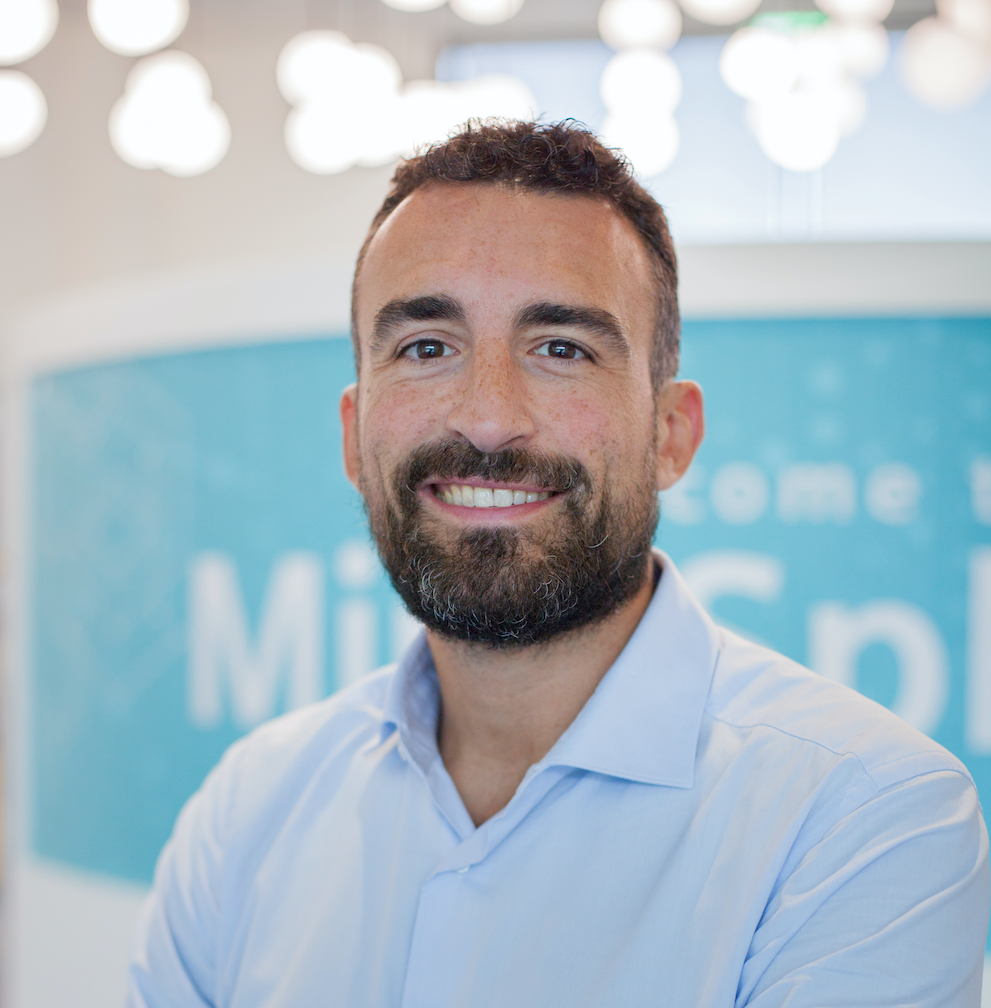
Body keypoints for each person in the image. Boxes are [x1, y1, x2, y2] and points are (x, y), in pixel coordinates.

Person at [128, 120, 990, 1007]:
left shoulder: (862, 819)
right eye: (426, 347)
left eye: (562, 349)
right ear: (354, 437)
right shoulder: (248, 812)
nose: (488, 417)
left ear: (670, 434)